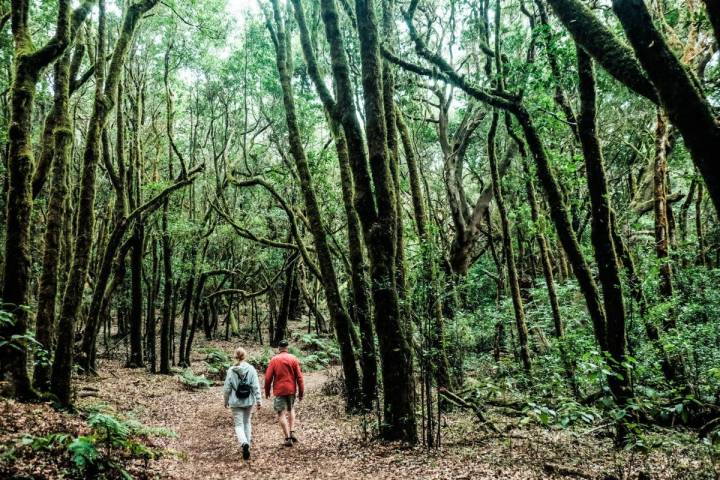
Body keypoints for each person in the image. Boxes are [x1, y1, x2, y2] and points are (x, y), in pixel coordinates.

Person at [264, 339, 304, 447]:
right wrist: (301, 392)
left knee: (281, 413)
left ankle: (287, 438)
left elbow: (268, 378)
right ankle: (292, 431)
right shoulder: (293, 359)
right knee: (291, 409)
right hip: (291, 389)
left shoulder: (274, 360)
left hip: (280, 390)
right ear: (287, 347)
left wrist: (267, 390)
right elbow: (299, 377)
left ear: (279, 348)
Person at [223, 347, 261, 460]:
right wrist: (259, 400)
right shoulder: (251, 369)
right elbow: (255, 386)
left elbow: (227, 388)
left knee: (239, 424)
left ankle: (243, 443)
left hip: (235, 401)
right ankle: (247, 445)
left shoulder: (231, 370)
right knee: (247, 422)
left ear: (235, 356)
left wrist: (226, 400)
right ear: (245, 356)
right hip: (249, 400)